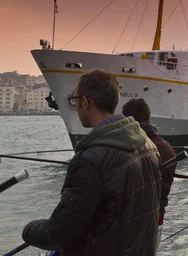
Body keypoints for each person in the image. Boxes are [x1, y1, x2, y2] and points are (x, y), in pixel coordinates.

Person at [22, 69, 161, 255]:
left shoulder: (90, 160)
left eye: (75, 100)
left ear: (86, 102)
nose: (76, 106)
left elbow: (60, 232)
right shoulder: (149, 145)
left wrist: (29, 230)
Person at [122, 98, 177, 249]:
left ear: (126, 120)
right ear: (149, 118)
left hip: (127, 220)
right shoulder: (168, 149)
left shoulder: (123, 147)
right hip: (156, 216)